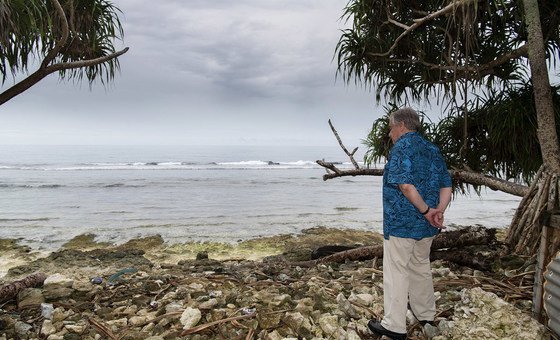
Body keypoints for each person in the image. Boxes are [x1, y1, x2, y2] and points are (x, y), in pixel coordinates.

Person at [368, 107, 452, 340]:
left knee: (397, 271)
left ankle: (394, 326)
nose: (389, 133)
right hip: (426, 227)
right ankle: (426, 315)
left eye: (390, 127)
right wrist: (438, 212)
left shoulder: (401, 148)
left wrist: (427, 211)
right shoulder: (432, 149)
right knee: (420, 266)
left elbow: (405, 185)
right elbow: (447, 186)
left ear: (401, 125)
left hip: (402, 223)